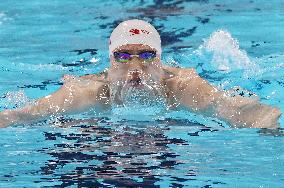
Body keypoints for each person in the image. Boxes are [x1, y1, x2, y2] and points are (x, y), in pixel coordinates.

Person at [0, 19, 281, 128]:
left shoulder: (184, 86)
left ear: (160, 61)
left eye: (146, 55)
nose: (135, 68)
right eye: (123, 56)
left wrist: (272, 125)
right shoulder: (84, 92)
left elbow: (235, 110)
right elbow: (20, 115)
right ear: (110, 63)